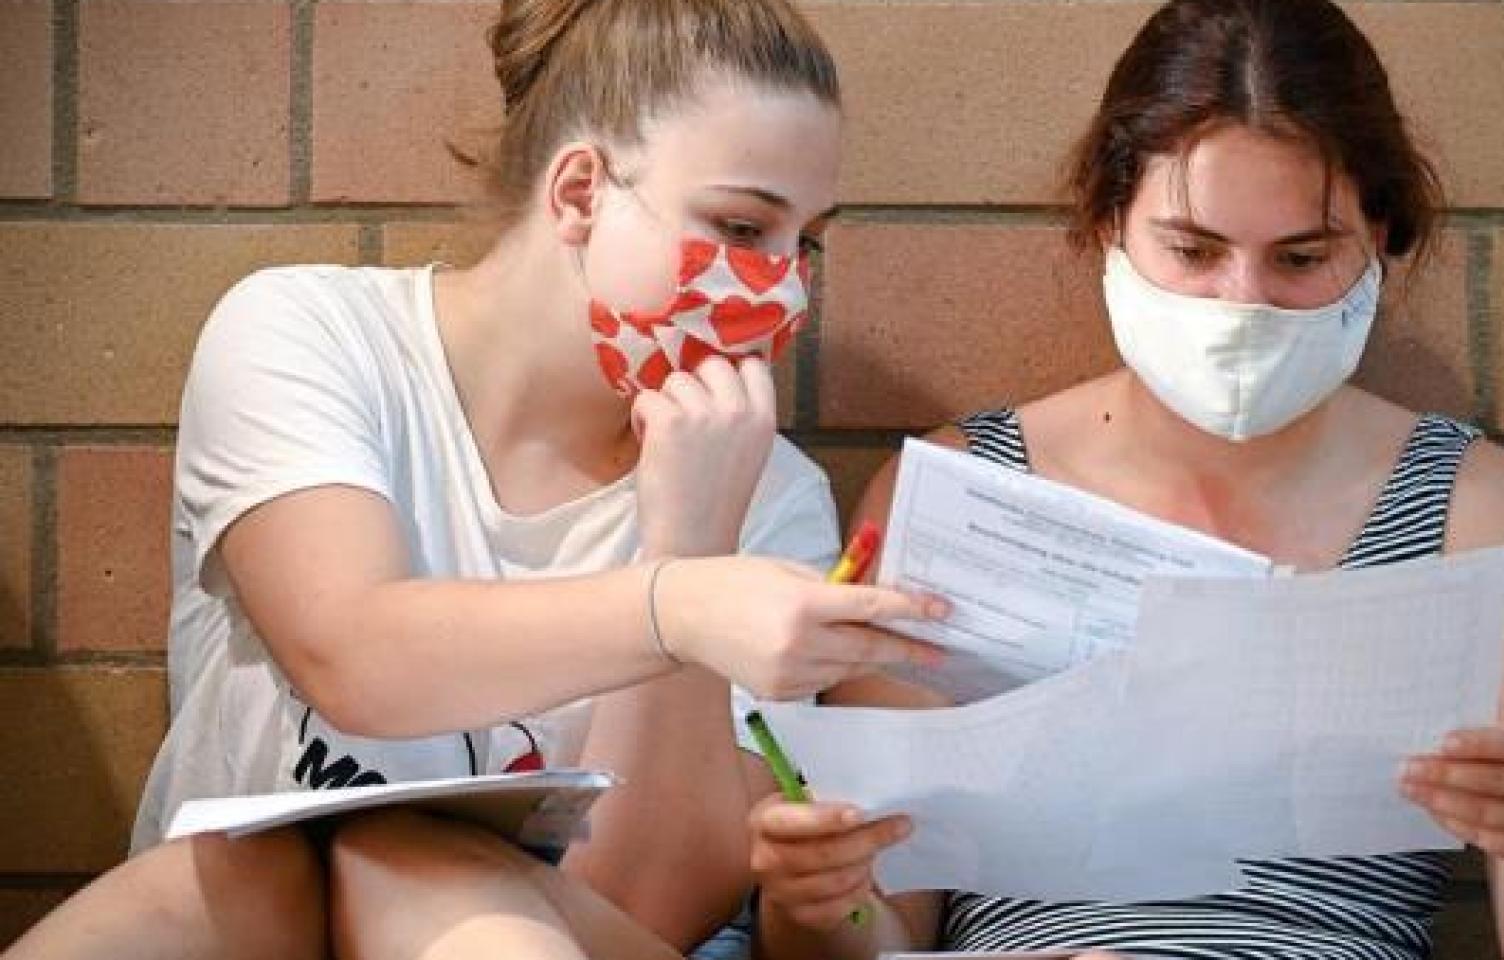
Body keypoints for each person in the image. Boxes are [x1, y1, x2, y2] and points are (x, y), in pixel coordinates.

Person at [6, 1, 946, 958]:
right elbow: (354, 653)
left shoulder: (767, 485)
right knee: (343, 853)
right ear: (580, 192)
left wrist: (689, 533)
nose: (784, 286)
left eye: (808, 243)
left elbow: (649, 910)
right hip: (263, 915)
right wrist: (677, 605)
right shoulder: (311, 336)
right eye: (744, 226)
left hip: (542, 933)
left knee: (411, 864)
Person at [746, 1, 1504, 958]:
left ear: (1382, 239)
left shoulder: (1478, 510)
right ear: (1109, 224)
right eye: (1192, 250)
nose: (1243, 305)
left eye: (1302, 258)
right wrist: (817, 901)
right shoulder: (963, 489)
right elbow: (873, 930)